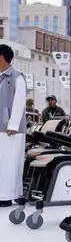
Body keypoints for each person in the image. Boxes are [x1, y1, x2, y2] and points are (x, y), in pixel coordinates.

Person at [0, 45, 27, 206]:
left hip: (11, 129)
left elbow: (19, 101)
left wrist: (13, 125)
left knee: (10, 162)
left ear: (1, 58)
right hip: (0, 128)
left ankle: (8, 196)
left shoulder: (17, 77)